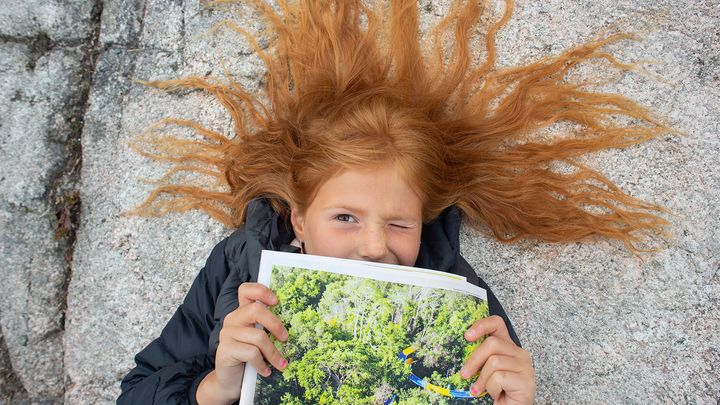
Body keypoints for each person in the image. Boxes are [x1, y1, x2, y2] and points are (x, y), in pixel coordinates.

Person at [118, 0, 673, 403]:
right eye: (345, 218)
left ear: (424, 221)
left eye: (399, 224)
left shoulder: (459, 296)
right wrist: (215, 389)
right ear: (299, 218)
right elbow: (137, 392)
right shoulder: (240, 261)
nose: (376, 246)